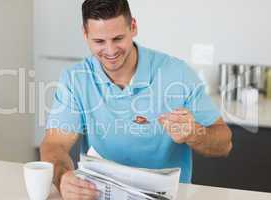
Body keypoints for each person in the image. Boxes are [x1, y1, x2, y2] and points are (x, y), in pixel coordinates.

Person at [40, 0, 233, 199]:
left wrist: (195, 134)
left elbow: (224, 142)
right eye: (99, 41)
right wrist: (63, 178)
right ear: (85, 34)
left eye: (118, 38)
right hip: (101, 195)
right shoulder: (76, 78)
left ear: (133, 27)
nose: (110, 50)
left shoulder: (177, 74)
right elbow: (54, 144)